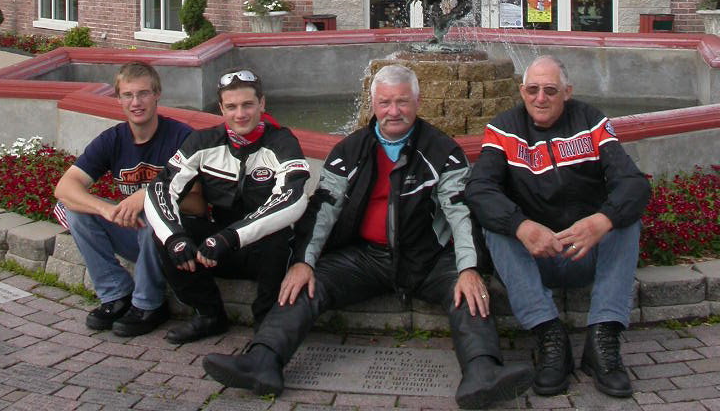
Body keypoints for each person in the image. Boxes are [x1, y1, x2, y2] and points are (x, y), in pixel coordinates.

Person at [201, 63, 533, 410]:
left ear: (417, 102)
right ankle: (262, 361)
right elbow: (323, 208)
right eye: (385, 102)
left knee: (469, 292)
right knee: (305, 283)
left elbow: (460, 212)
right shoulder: (350, 150)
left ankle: (482, 372)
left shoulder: (442, 150)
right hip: (365, 257)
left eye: (402, 102)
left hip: (429, 259)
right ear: (373, 104)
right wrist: (304, 261)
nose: (394, 111)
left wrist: (469, 267)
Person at [465, 55, 651, 399]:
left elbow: (634, 183)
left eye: (550, 90)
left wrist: (602, 220)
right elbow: (479, 189)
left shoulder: (591, 121)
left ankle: (603, 339)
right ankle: (550, 336)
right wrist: (521, 226)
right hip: (534, 256)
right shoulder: (503, 128)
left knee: (625, 220)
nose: (540, 98)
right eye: (532, 89)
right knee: (497, 226)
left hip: (584, 251)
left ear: (567, 92)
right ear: (521, 91)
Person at [144, 68, 310, 344]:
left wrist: (230, 237)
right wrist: (174, 238)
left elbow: (294, 198)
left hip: (264, 250)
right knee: (165, 236)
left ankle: (266, 327)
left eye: (247, 105)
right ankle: (209, 315)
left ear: (262, 104)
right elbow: (160, 188)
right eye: (231, 107)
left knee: (277, 238)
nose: (240, 114)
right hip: (217, 248)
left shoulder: (282, 142)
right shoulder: (203, 142)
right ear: (221, 109)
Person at [54, 61, 192, 336]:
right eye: (128, 95)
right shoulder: (113, 139)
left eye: (143, 94)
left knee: (154, 217)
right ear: (118, 98)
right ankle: (116, 294)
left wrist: (148, 197)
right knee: (74, 209)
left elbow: (198, 200)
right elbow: (65, 187)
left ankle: (149, 305)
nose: (136, 102)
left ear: (157, 94)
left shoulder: (182, 137)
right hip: (135, 233)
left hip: (175, 241)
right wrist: (104, 209)